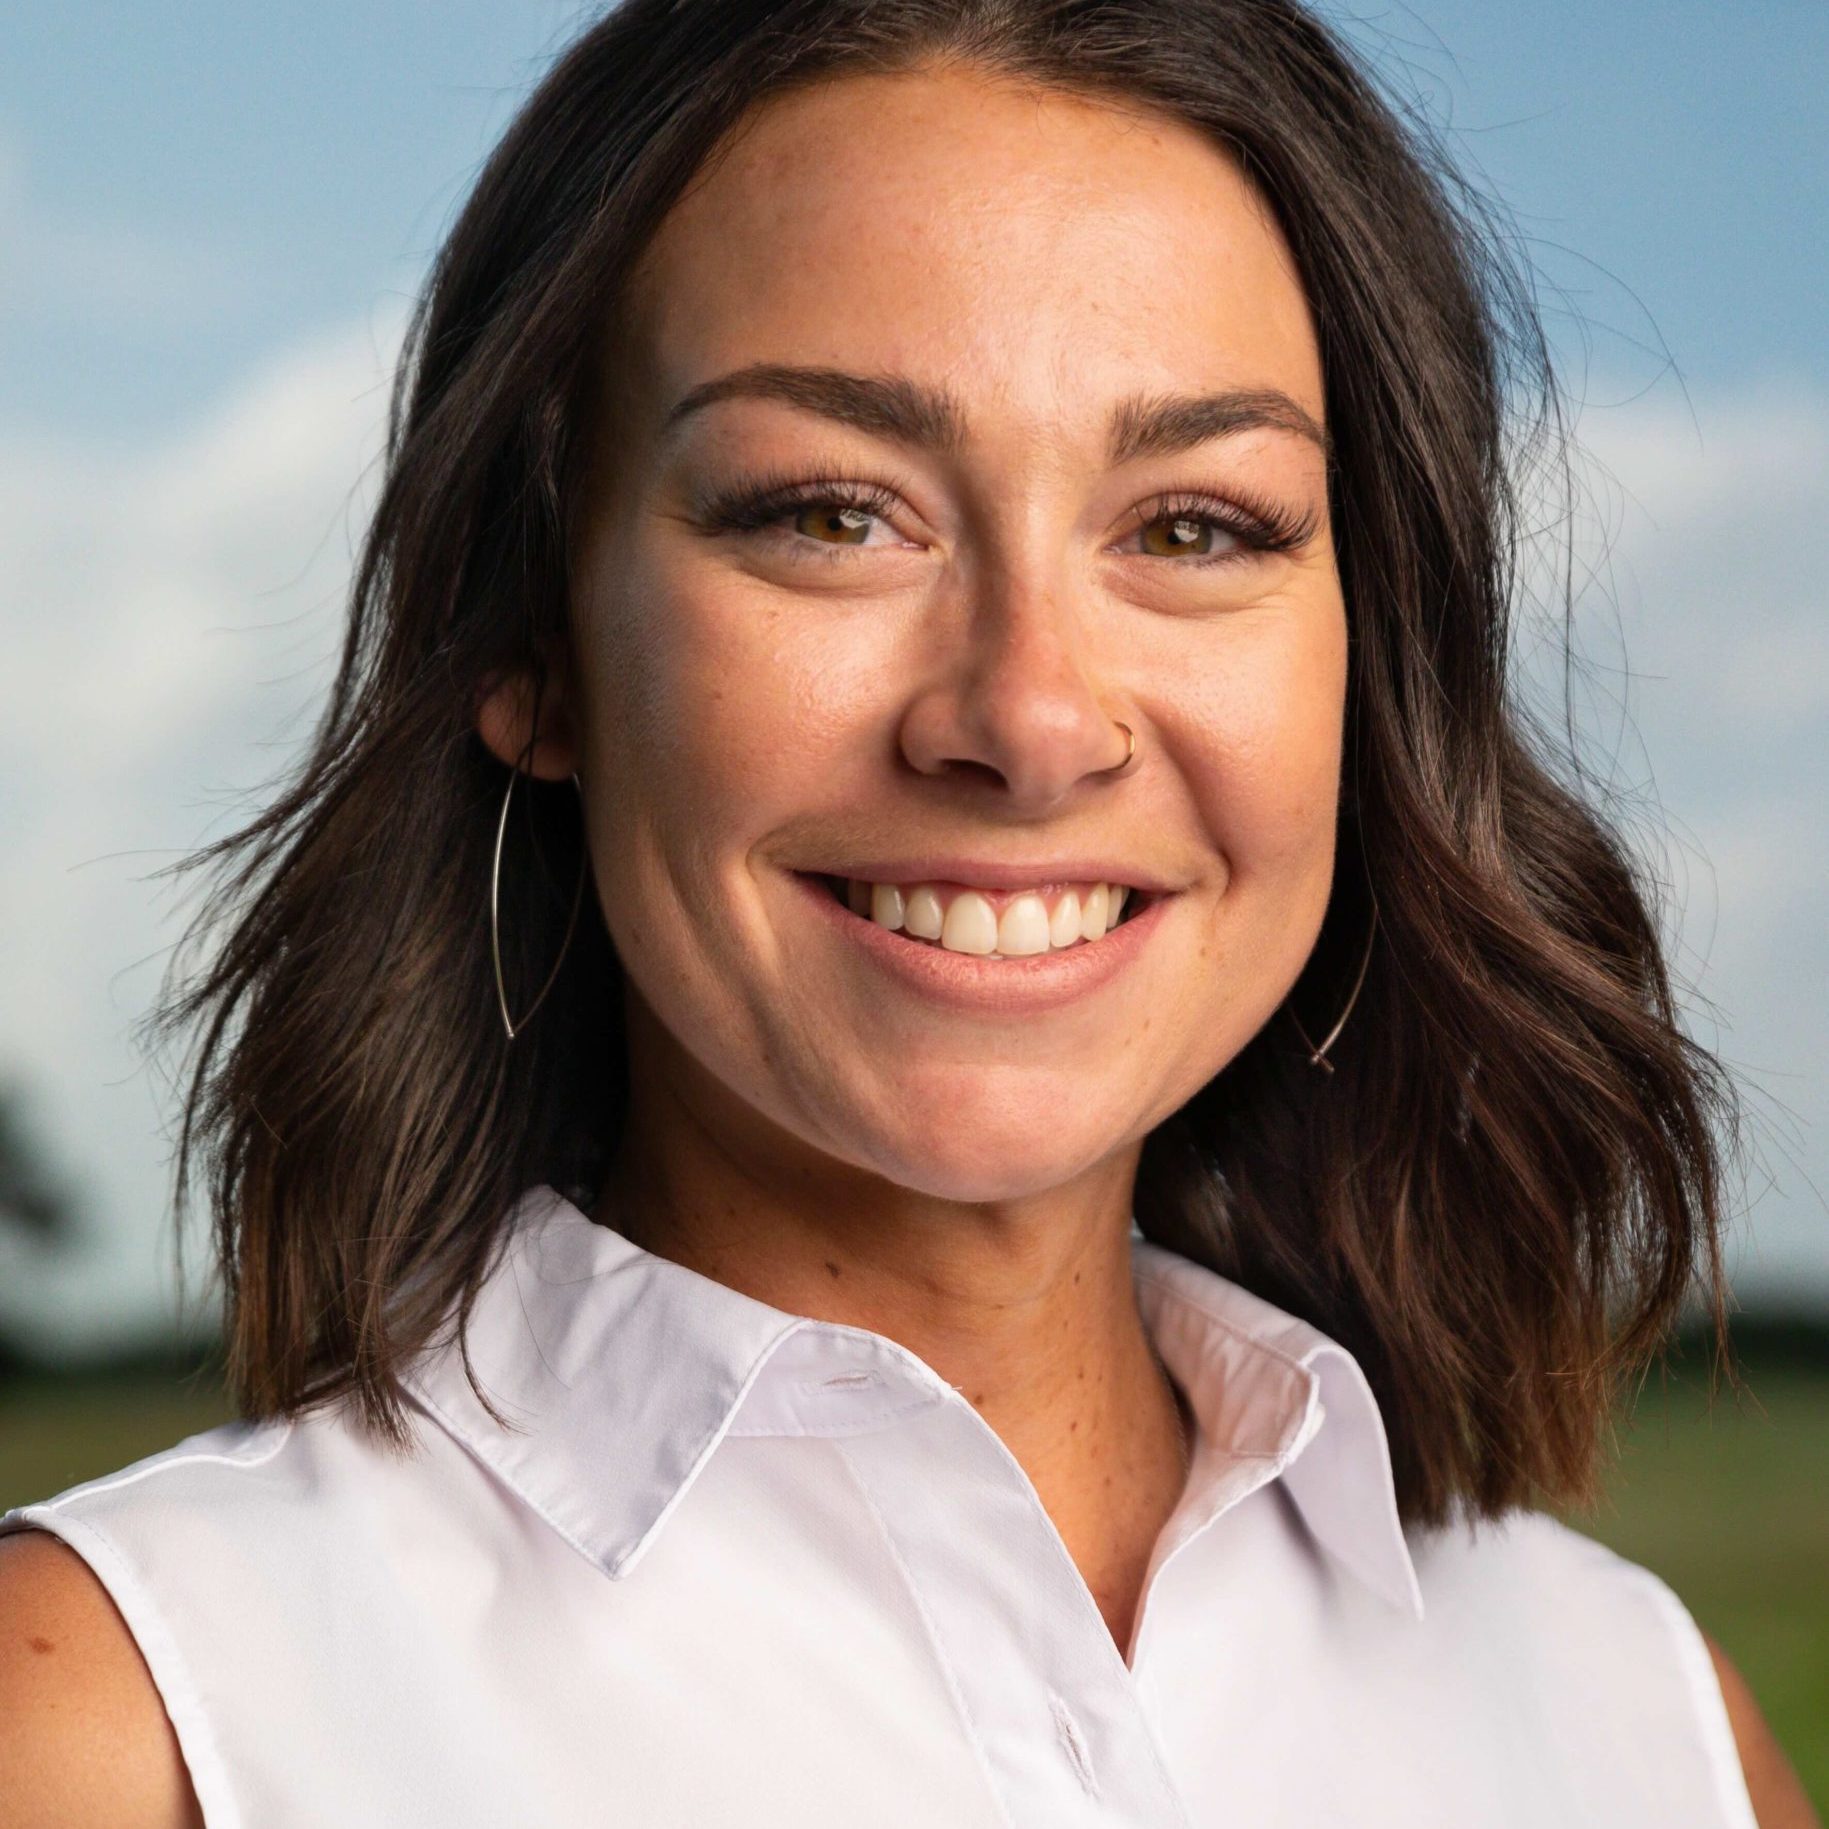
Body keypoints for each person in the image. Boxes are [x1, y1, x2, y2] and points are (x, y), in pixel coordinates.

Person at [0, 2, 1817, 1824]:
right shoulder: (118, 1724)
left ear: (1371, 658)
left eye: (1193, 526)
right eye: (829, 513)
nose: (1027, 719)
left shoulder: (1641, 1725)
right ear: (532, 641)